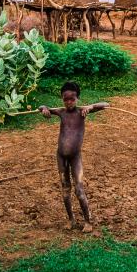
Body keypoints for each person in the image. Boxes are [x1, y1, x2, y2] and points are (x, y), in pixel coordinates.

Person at [39, 81, 109, 232]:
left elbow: (106, 104)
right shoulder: (61, 112)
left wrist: (90, 107)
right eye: (66, 99)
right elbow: (43, 107)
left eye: (72, 99)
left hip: (75, 157)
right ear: (62, 99)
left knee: (79, 189)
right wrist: (44, 109)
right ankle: (71, 220)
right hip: (61, 157)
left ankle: (88, 221)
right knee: (65, 189)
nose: (69, 102)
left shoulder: (82, 112)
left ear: (77, 98)